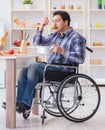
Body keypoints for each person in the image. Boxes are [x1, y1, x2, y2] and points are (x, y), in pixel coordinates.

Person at [3, 10, 86, 113]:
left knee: (34, 66)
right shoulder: (55, 35)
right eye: (53, 21)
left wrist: (62, 51)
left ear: (66, 22)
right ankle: (18, 103)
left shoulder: (77, 38)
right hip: (51, 67)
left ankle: (26, 104)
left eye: (57, 21)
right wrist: (41, 27)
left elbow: (80, 58)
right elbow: (36, 43)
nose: (54, 23)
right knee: (24, 71)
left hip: (65, 71)